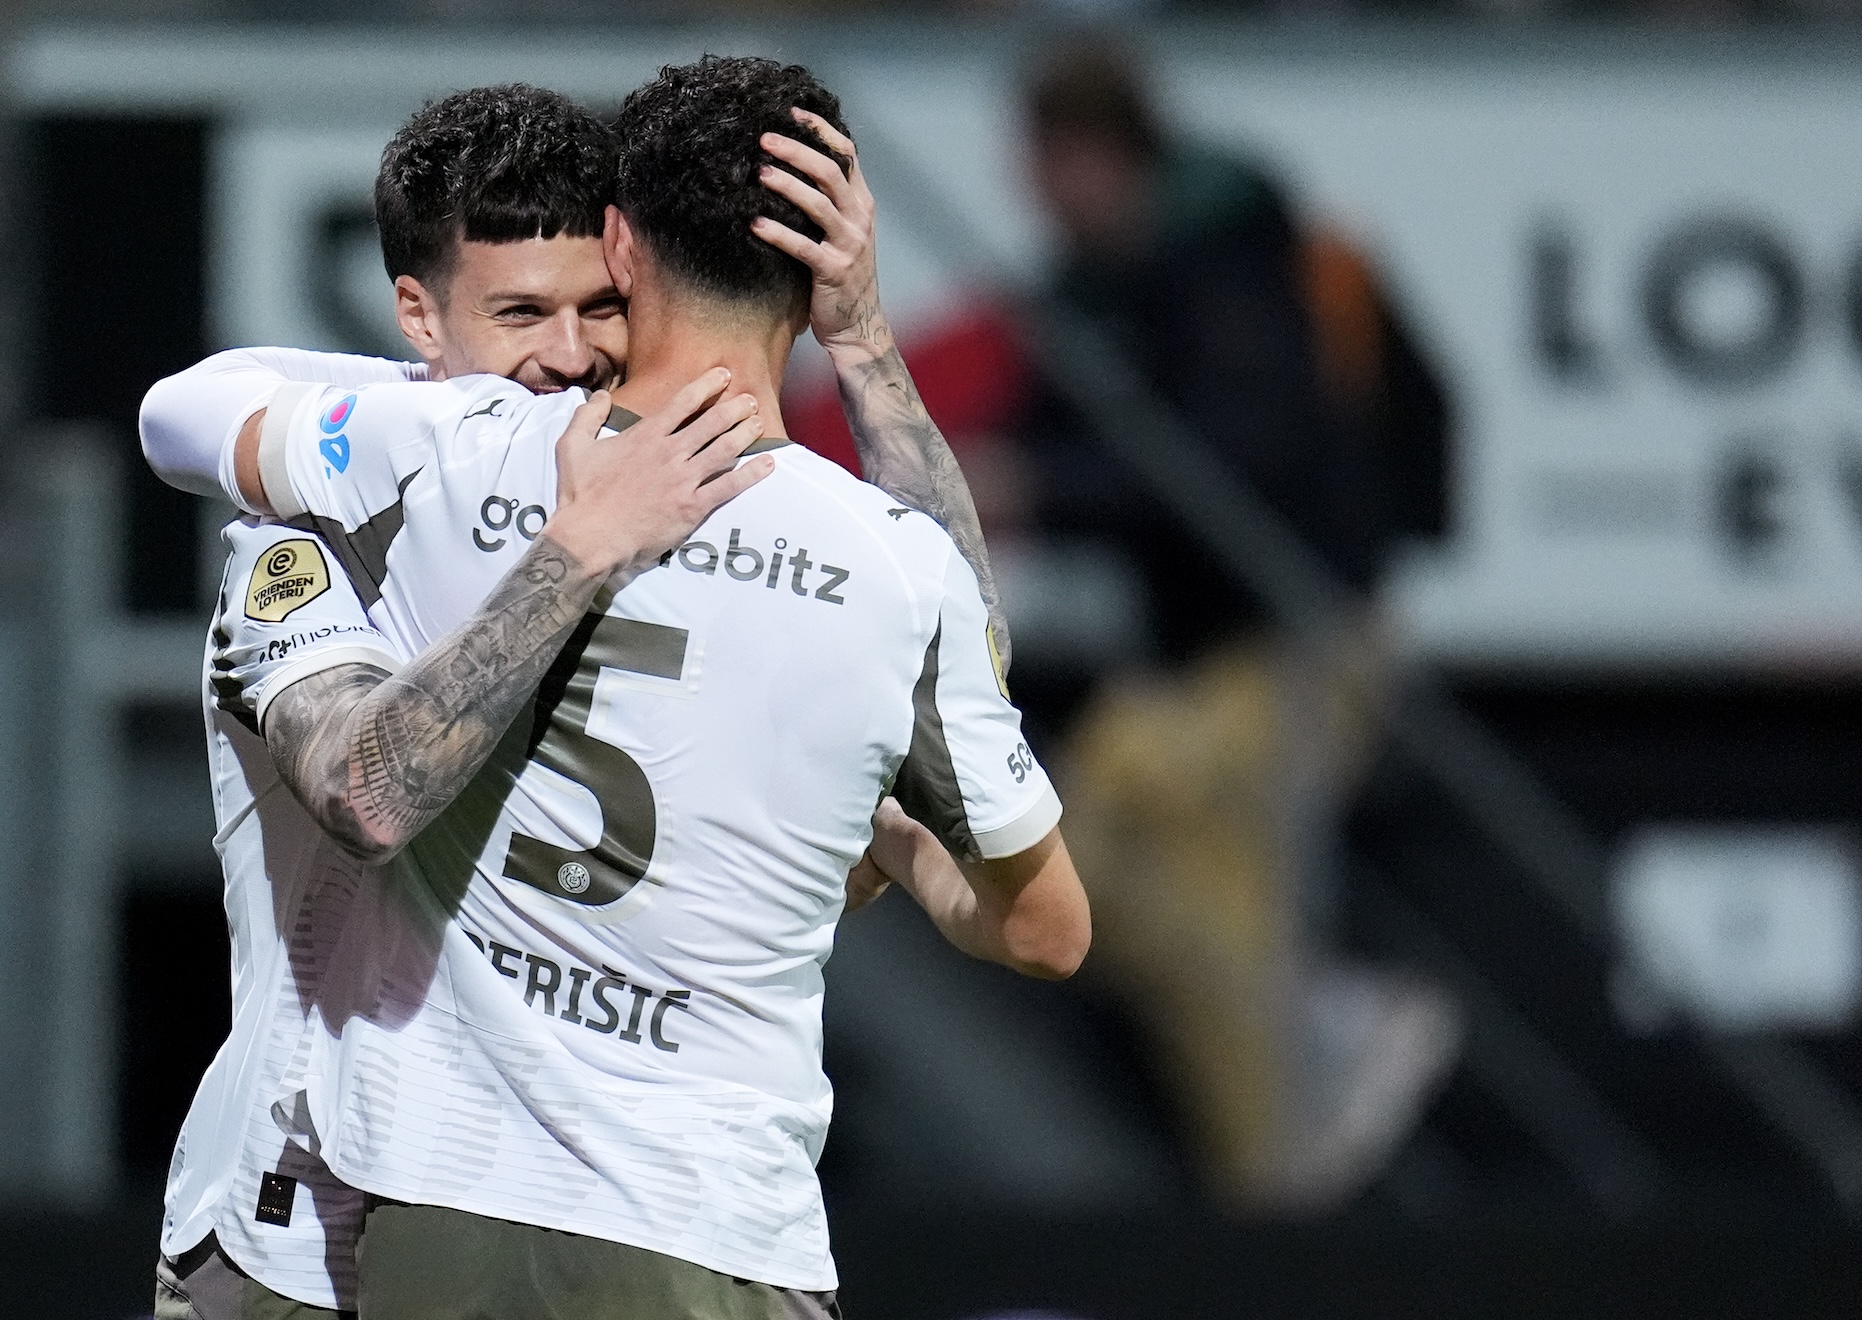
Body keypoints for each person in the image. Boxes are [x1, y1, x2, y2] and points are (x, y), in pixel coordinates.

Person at [150, 54, 1086, 1318]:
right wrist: (845, 345)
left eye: (595, 309)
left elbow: (191, 412)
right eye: (521, 315)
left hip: (450, 1206)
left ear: (626, 256)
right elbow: (364, 789)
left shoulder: (453, 459)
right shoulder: (335, 519)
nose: (565, 356)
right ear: (416, 319)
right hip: (289, 1225)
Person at [1017, 39, 1459, 1212]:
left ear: (1090, 153)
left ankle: (1310, 1045)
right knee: (1212, 909)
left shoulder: (1223, 257)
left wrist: (1046, 488)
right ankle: (1284, 1151)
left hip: (1298, 643)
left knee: (1091, 845)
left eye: (1041, 162)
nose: (1027, 191)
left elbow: (1232, 457)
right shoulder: (1099, 288)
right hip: (1212, 653)